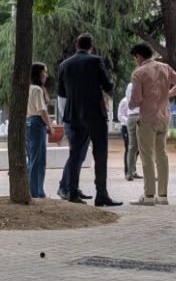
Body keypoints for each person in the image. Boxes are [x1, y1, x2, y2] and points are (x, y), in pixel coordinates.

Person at [56, 34, 120, 207]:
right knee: (100, 154)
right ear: (91, 46)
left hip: (73, 114)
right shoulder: (96, 61)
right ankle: (101, 194)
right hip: (94, 113)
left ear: (76, 45)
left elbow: (61, 93)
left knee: (75, 154)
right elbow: (107, 86)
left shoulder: (64, 64)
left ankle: (72, 192)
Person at [126, 43, 176, 206]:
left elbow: (135, 101)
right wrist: (166, 94)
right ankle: (163, 195)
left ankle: (149, 195)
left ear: (138, 56)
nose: (135, 62)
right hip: (164, 117)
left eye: (135, 58)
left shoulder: (139, 73)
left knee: (147, 157)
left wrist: (132, 105)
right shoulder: (165, 67)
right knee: (162, 155)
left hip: (147, 118)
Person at [26, 63, 55, 198]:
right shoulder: (37, 89)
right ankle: (36, 191)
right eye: (44, 72)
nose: (46, 75)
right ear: (38, 74)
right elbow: (42, 110)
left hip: (28, 124)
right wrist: (50, 126)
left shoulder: (27, 88)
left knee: (32, 158)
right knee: (38, 160)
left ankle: (32, 189)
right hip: (37, 124)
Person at [118, 82, 141, 181]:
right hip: (126, 126)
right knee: (129, 148)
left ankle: (133, 170)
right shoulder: (124, 101)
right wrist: (128, 122)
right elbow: (120, 115)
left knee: (137, 149)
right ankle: (128, 171)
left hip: (136, 121)